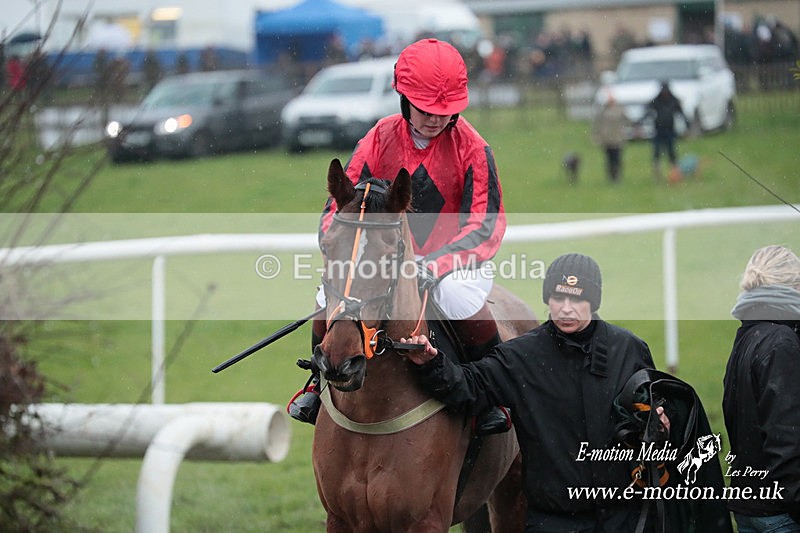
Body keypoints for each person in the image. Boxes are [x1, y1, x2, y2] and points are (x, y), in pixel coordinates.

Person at [402, 253, 732, 532]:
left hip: (624, 518)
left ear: (594, 300)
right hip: (553, 521)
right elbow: (470, 388)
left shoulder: (629, 349)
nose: (566, 309)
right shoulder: (522, 356)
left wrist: (662, 421)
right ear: (547, 298)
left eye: (577, 298)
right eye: (558, 298)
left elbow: (653, 410)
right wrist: (431, 363)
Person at [288, 38, 508, 435]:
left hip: (451, 260)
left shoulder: (473, 148)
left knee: (458, 298)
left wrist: (436, 265)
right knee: (327, 296)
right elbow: (337, 210)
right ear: (405, 98)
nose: (435, 118)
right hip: (380, 254)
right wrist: (338, 251)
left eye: (445, 110)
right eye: (426, 109)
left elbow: (486, 225)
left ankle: (493, 398)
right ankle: (317, 382)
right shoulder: (379, 137)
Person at [723, 245, 800, 533]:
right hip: (781, 512)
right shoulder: (781, 343)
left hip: (752, 504)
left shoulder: (750, 335)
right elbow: (786, 439)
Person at [643, 80, 689, 182]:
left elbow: (682, 114)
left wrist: (687, 127)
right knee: (657, 153)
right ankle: (657, 175)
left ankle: (675, 174)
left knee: (672, 153)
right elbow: (647, 112)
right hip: (658, 131)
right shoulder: (656, 101)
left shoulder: (674, 101)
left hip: (670, 131)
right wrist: (641, 123)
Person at [592, 92, 629, 183]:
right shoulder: (603, 111)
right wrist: (596, 136)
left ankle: (617, 176)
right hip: (607, 140)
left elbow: (628, 120)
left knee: (617, 159)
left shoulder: (620, 110)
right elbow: (597, 125)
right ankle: (611, 176)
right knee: (609, 160)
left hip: (617, 139)